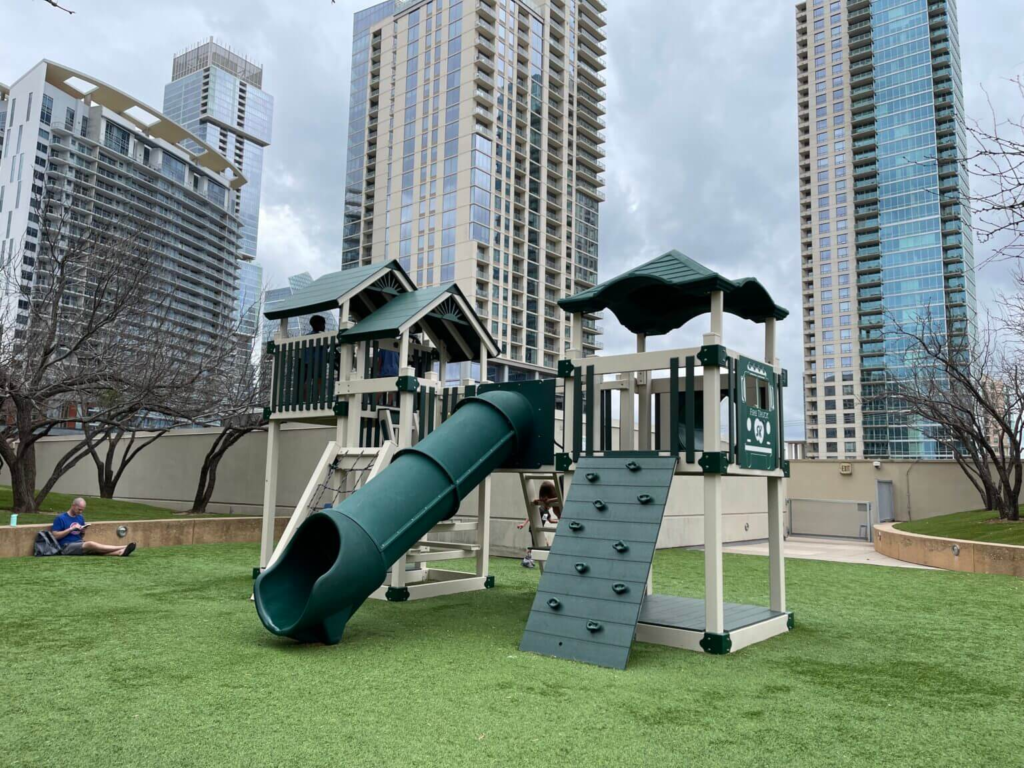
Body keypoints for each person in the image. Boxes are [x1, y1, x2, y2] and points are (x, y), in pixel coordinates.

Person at [52, 498, 137, 557]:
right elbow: (55, 536)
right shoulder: (60, 518)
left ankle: (119, 552)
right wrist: (71, 529)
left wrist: (83, 531)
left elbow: (80, 536)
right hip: (65, 547)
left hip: (79, 543)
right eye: (79, 509)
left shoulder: (80, 517)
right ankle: (123, 547)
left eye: (82, 510)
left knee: (95, 550)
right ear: (73, 505)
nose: (80, 512)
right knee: (91, 544)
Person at [516, 481, 562, 568]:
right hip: (534, 528)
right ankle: (527, 560)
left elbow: (551, 520)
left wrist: (557, 521)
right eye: (543, 499)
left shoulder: (547, 511)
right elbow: (531, 515)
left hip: (540, 529)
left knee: (545, 543)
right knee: (536, 544)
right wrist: (523, 524)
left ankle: (529, 559)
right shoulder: (541, 509)